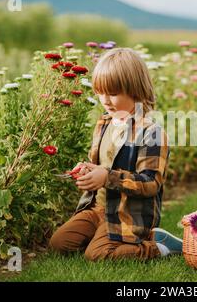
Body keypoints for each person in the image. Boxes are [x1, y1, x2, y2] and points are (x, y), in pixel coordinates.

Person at [49, 48, 182, 261]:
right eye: (100, 92)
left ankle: (159, 247)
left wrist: (107, 177)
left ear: (135, 91)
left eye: (112, 93)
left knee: (97, 254)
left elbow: (151, 183)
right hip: (99, 208)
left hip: (127, 213)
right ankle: (103, 234)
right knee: (59, 243)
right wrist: (88, 169)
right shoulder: (104, 123)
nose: (105, 100)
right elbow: (103, 162)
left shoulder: (151, 132)